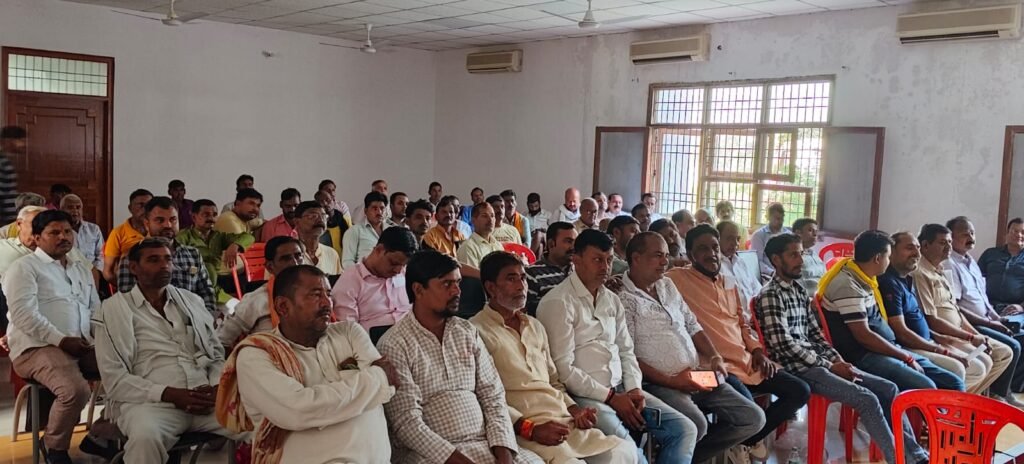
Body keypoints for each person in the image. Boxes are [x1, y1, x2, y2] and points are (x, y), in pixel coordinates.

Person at [757, 234, 930, 464]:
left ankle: (915, 455)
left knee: (888, 389)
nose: (800, 260)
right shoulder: (771, 295)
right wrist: (830, 366)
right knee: (866, 399)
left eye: (801, 254)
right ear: (776, 260)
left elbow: (815, 334)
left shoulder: (797, 289)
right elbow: (784, 345)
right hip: (798, 368)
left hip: (819, 362)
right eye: (793, 255)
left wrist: (837, 360)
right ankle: (898, 460)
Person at [536, 230, 693, 464]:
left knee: (685, 430)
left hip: (621, 388)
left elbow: (626, 350)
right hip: (585, 396)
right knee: (632, 455)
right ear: (576, 260)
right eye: (597, 260)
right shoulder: (558, 302)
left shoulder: (611, 299)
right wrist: (610, 397)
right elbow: (563, 370)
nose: (605, 267)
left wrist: (634, 389)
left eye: (609, 260)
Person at [378, 250, 543, 464]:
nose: (457, 291)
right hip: (433, 456)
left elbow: (493, 397)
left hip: (485, 445)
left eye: (458, 283)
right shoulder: (395, 344)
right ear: (418, 290)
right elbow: (407, 423)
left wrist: (504, 456)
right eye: (447, 284)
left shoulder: (466, 331)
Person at [220, 265, 397, 464]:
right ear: (283, 306)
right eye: (315, 295)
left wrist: (316, 406)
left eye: (328, 294)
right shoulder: (256, 355)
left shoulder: (349, 332)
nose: (327, 303)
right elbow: (297, 412)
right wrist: (376, 379)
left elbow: (389, 388)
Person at [471, 252, 636, 464]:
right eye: (511, 279)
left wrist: (576, 411)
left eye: (523, 278)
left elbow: (554, 382)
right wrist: (530, 429)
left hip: (562, 420)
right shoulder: (476, 331)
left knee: (624, 452)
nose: (521, 286)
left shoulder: (534, 326)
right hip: (526, 427)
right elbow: (483, 398)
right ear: (491, 288)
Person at [621, 232, 766, 463]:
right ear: (636, 258)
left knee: (753, 418)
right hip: (659, 384)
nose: (665, 261)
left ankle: (687, 457)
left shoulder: (667, 284)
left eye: (666, 255)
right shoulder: (622, 296)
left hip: (696, 374)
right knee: (696, 424)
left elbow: (692, 325)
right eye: (657, 255)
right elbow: (627, 355)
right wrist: (673, 381)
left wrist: (715, 356)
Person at [93, 238, 241, 464]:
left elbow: (214, 354)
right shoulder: (114, 309)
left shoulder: (191, 301)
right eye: (154, 260)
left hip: (206, 402)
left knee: (265, 420)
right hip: (150, 405)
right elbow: (114, 380)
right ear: (134, 268)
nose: (164, 266)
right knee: (146, 437)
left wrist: (216, 388)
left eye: (168, 259)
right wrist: (169, 394)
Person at [669, 226, 808, 458]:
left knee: (800, 391)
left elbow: (743, 323)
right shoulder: (677, 279)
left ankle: (743, 441)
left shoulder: (729, 282)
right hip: (716, 366)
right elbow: (645, 276)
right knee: (750, 413)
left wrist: (757, 351)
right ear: (691, 254)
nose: (711, 254)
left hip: (747, 361)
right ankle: (690, 455)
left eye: (714, 247)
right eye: (703, 249)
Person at [817, 230, 964, 392]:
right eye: (888, 256)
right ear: (877, 259)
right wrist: (905, 357)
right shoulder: (848, 285)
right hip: (865, 355)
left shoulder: (865, 278)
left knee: (953, 381)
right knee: (926, 387)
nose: (889, 261)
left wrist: (903, 354)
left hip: (887, 348)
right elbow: (864, 336)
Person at [6, 210, 98, 464]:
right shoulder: (24, 268)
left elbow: (95, 310)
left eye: (67, 231)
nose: (63, 237)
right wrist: (61, 340)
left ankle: (103, 435)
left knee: (128, 371)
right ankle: (53, 446)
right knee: (75, 391)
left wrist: (101, 341)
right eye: (54, 232)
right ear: (37, 238)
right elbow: (24, 315)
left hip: (80, 344)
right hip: (36, 348)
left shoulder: (80, 269)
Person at [879, 232, 1010, 399]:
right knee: (965, 368)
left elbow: (922, 320)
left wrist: (942, 339)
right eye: (909, 248)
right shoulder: (891, 282)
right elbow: (902, 332)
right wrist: (941, 349)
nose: (917, 253)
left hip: (931, 339)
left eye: (917, 248)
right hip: (912, 346)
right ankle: (949, 408)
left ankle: (964, 406)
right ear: (891, 251)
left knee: (986, 361)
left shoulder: (906, 279)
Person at [913, 225, 1014, 396]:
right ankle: (957, 404)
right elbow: (931, 320)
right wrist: (970, 337)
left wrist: (976, 335)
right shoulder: (920, 273)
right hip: (945, 336)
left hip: (961, 331)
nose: (948, 247)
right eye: (942, 243)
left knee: (1004, 353)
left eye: (950, 242)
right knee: (980, 366)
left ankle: (971, 401)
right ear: (925, 245)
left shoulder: (941, 270)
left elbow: (956, 311)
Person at [946, 216, 1024, 395]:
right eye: (965, 234)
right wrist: (991, 322)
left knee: (1019, 336)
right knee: (1013, 346)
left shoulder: (970, 261)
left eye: (972, 233)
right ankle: (998, 395)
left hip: (998, 313)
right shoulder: (950, 264)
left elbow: (981, 297)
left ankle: (1006, 391)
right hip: (973, 322)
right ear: (951, 237)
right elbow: (955, 306)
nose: (970, 237)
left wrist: (998, 319)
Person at [119, 197, 219, 314]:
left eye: (173, 219)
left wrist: (206, 317)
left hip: (192, 319)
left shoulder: (192, 254)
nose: (168, 225)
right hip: (150, 320)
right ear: (147, 223)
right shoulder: (131, 257)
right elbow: (127, 302)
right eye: (160, 220)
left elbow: (207, 292)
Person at [217, 236, 306, 348]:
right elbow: (220, 341)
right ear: (270, 267)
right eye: (285, 259)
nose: (295, 263)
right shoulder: (256, 300)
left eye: (298, 256)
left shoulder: (317, 296)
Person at [332, 226, 416, 332]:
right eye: (393, 263)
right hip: (373, 340)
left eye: (403, 265)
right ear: (379, 250)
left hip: (411, 334)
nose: (398, 271)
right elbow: (348, 331)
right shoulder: (350, 282)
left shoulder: (404, 273)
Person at [176, 199, 250, 306]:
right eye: (206, 215)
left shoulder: (218, 236)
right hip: (192, 288)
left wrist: (235, 245)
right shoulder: (183, 237)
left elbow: (248, 237)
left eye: (214, 215)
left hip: (216, 288)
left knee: (239, 307)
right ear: (194, 217)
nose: (211, 218)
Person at [525, 222, 577, 316]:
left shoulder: (579, 270)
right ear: (551, 244)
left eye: (576, 242)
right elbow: (527, 313)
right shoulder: (532, 273)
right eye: (568, 241)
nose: (573, 247)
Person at [103, 189, 152, 282]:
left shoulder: (157, 230)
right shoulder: (118, 233)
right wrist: (123, 286)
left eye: (149, 205)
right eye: (141, 205)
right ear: (130, 208)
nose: (145, 209)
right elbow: (107, 272)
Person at [979, 218, 1024, 315]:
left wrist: (1021, 307)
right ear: (1007, 233)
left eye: (1023, 232)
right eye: (1015, 231)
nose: (1019, 235)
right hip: (986, 306)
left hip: (1016, 310)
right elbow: (975, 279)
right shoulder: (990, 253)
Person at [717, 220, 760, 309]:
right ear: (717, 239)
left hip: (755, 312)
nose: (735, 243)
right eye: (729, 238)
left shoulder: (740, 262)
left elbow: (757, 287)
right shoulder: (715, 266)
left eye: (737, 239)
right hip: (735, 316)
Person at [293, 201, 342, 275]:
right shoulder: (289, 254)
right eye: (313, 216)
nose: (321, 220)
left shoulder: (331, 254)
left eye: (324, 216)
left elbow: (340, 281)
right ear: (296, 222)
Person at [342, 191, 388, 270]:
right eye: (374, 208)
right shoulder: (354, 231)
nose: (379, 212)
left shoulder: (392, 230)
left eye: (382, 208)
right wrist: (362, 275)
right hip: (363, 275)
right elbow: (347, 262)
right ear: (365, 211)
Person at [61, 193, 104, 270]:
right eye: (70, 207)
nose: (75, 211)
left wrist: (95, 272)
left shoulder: (94, 229)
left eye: (78, 207)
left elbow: (101, 255)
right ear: (62, 210)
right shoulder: (59, 231)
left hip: (92, 272)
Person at [457, 202, 505, 269]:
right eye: (484, 216)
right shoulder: (468, 247)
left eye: (492, 216)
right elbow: (471, 275)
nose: (490, 220)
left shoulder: (498, 245)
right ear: (473, 220)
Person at [750, 203, 791, 278]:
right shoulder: (759, 235)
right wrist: (772, 273)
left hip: (788, 274)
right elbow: (757, 261)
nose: (780, 222)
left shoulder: (789, 235)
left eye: (782, 218)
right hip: (768, 275)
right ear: (768, 217)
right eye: (777, 218)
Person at [0, 126, 25, 225]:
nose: (23, 144)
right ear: (8, 141)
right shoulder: (3, 162)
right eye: (20, 140)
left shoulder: (6, 161)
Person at [792, 218, 825, 292]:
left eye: (816, 231)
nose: (815, 234)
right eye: (810, 230)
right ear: (798, 233)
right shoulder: (794, 257)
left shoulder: (813, 253)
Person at [315, 189, 350, 256]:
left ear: (333, 201)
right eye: (321, 201)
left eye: (328, 200)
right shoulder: (316, 224)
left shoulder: (345, 219)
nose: (325, 204)